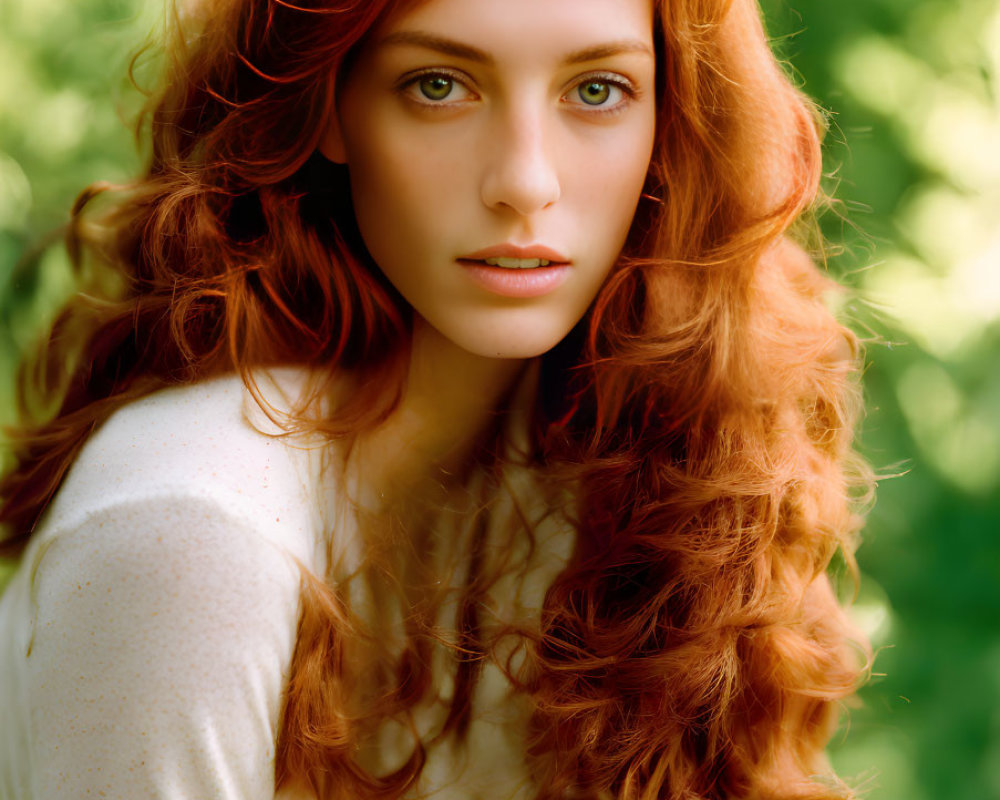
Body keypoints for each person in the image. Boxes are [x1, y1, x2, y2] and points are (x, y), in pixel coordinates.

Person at [0, 0, 873, 797]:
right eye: (439, 85)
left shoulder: (629, 480)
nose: (526, 182)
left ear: (671, 122)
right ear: (331, 103)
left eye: (598, 90)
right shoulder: (193, 531)